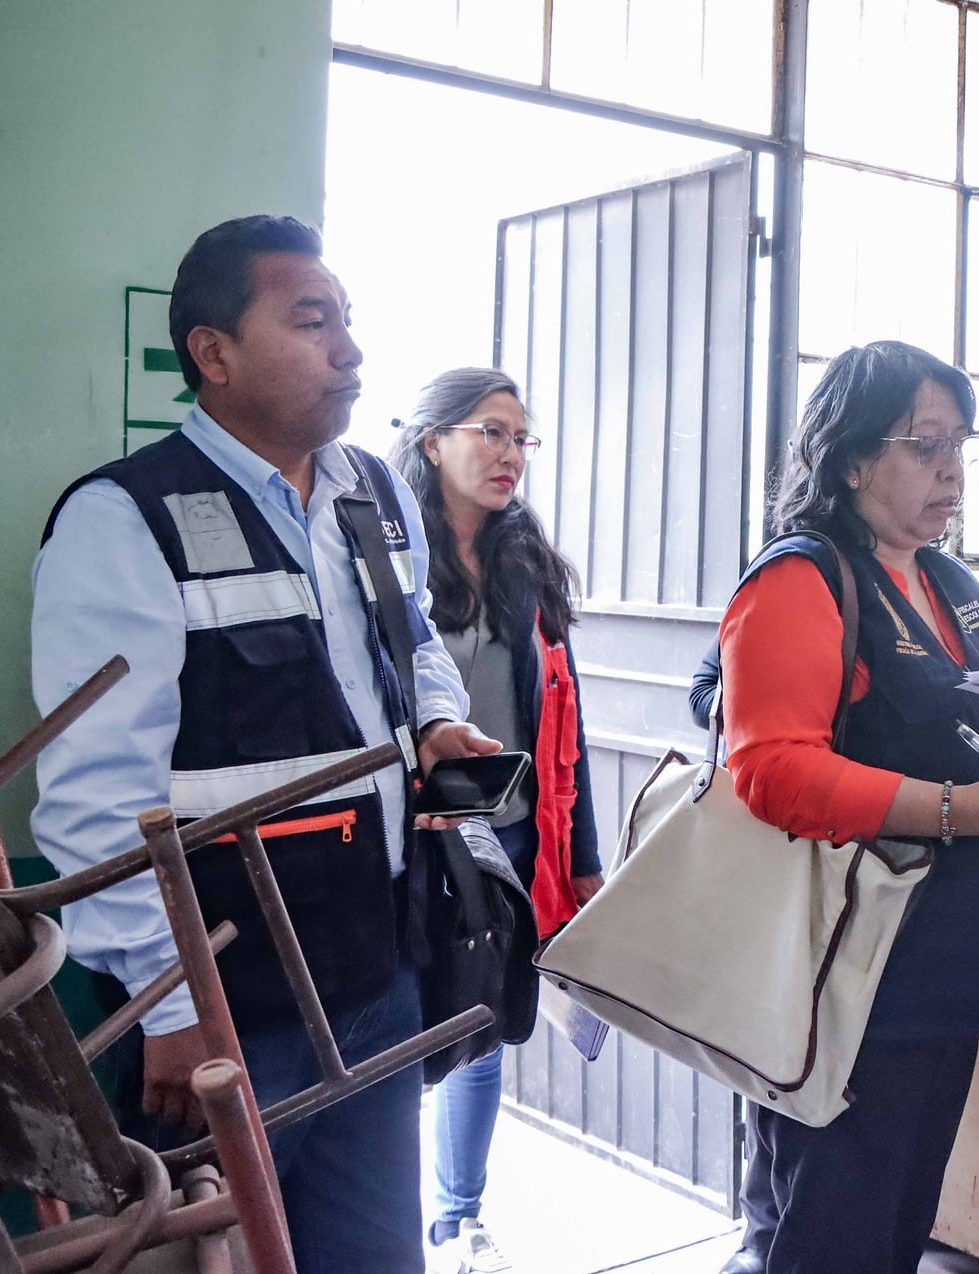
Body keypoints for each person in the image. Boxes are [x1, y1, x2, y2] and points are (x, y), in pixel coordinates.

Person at [30, 215, 499, 1272]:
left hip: (374, 973)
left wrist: (432, 718)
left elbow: (412, 636)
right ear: (213, 352)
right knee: (230, 1253)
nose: (349, 350)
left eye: (349, 321)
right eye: (311, 321)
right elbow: (95, 799)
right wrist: (170, 1000)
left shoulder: (369, 495)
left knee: (371, 1252)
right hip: (227, 1012)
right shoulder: (123, 519)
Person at [715, 340, 979, 1274]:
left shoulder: (950, 581)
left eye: (961, 445)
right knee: (830, 1233)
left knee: (898, 1226)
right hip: (847, 976)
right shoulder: (803, 578)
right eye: (924, 445)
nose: (950, 469)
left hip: (946, 963)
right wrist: (963, 810)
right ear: (853, 458)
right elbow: (774, 773)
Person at [388, 366, 604, 1273]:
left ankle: (457, 1220)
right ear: (434, 440)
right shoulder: (387, 558)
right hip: (411, 839)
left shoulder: (527, 565)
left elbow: (567, 723)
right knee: (401, 1029)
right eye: (491, 432)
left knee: (483, 1026)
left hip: (511, 839)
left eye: (523, 438)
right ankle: (386, 1218)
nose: (511, 454)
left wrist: (584, 856)